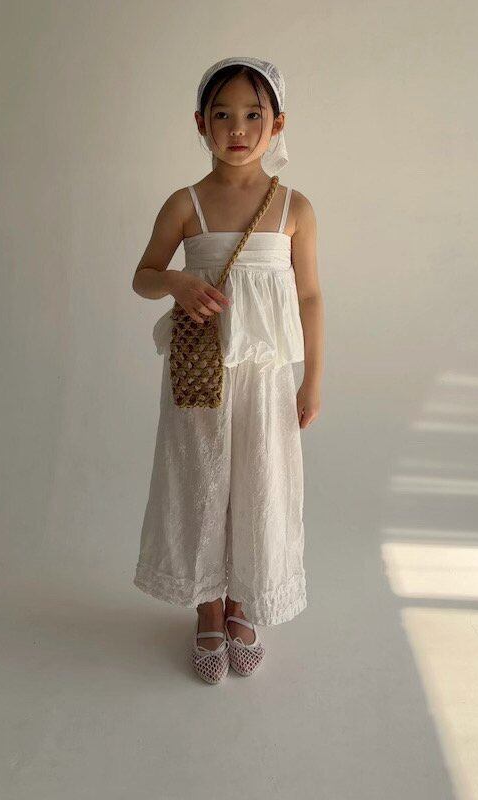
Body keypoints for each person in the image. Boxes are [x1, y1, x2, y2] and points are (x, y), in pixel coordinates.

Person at [131, 56, 324, 683]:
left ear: (277, 123)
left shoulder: (294, 207)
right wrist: (177, 282)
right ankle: (207, 604)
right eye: (222, 115)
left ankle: (245, 599)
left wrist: (312, 379)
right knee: (202, 479)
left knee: (261, 480)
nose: (237, 129)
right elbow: (143, 276)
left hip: (266, 377)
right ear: (200, 123)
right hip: (200, 372)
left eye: (252, 115)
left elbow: (309, 296)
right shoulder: (184, 204)